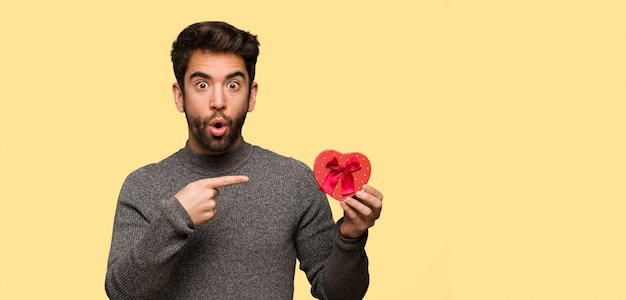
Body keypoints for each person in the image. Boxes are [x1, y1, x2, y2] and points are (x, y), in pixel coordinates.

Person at [105, 21, 384, 300]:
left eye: (233, 85)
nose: (218, 101)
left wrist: (351, 235)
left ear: (251, 96)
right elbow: (120, 293)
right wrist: (176, 218)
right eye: (202, 84)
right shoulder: (143, 185)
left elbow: (339, 295)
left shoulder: (294, 180)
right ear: (180, 97)